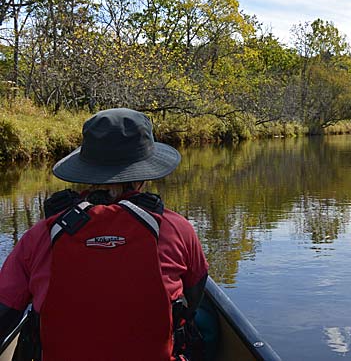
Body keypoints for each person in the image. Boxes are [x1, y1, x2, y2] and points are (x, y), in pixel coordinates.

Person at [0, 108, 209, 361]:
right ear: (143, 177)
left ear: (86, 173)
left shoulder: (40, 235)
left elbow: (5, 313)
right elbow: (195, 296)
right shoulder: (176, 228)